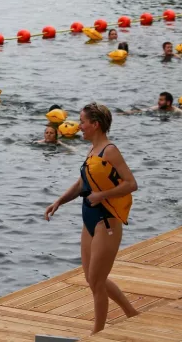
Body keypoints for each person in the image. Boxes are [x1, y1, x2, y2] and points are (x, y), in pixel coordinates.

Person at [44, 103, 139, 334]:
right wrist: (60, 201)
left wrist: (102, 195)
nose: (79, 126)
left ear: (95, 125)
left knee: (97, 280)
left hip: (106, 221)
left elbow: (131, 184)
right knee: (92, 278)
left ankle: (97, 333)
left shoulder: (110, 151)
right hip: (89, 219)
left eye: (83, 122)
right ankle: (132, 313)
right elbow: (81, 184)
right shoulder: (92, 150)